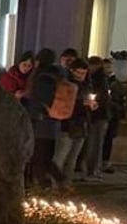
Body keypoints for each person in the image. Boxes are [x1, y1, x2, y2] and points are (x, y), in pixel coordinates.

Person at [25, 48, 70, 192]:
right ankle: (54, 182)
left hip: (41, 122)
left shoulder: (44, 77)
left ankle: (47, 186)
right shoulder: (57, 75)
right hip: (52, 123)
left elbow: (42, 99)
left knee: (40, 157)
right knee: (45, 157)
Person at [53, 58, 94, 180]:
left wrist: (91, 105)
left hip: (81, 123)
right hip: (67, 124)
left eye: (84, 73)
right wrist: (83, 103)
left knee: (73, 158)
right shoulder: (66, 84)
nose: (81, 76)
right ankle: (54, 186)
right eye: (78, 73)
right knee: (60, 157)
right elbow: (64, 103)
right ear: (72, 71)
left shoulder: (86, 85)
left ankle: (66, 185)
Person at [81, 55, 110, 179]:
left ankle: (92, 169)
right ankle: (91, 169)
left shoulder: (98, 79)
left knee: (94, 143)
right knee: (93, 143)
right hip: (97, 115)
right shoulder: (99, 78)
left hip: (98, 115)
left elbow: (101, 97)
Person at [101, 58, 126, 174]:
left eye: (108, 67)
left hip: (111, 115)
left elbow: (120, 102)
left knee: (107, 140)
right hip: (102, 115)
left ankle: (105, 161)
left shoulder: (116, 84)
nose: (106, 69)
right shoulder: (99, 80)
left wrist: (110, 102)